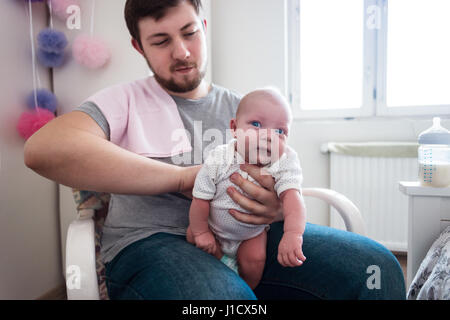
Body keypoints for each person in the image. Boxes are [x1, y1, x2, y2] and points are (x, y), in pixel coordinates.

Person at [24, 0, 406, 299]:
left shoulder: (247, 111)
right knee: (219, 301)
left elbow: (284, 178)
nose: (183, 52)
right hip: (152, 243)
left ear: (204, 29)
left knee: (377, 269)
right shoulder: (122, 101)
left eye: (189, 33)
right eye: (161, 41)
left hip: (251, 236)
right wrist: (183, 178)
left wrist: (277, 207)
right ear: (138, 46)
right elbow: (44, 149)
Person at [187, 88, 306, 290]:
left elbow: (293, 199)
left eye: (280, 131)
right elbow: (200, 198)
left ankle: (246, 288)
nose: (269, 136)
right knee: (192, 235)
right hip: (214, 228)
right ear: (234, 128)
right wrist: (201, 233)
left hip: (250, 234)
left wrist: (293, 234)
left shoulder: (284, 160)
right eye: (257, 125)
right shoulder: (221, 157)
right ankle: (221, 259)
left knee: (256, 259)